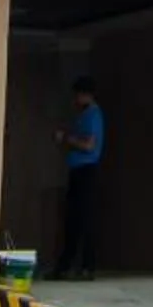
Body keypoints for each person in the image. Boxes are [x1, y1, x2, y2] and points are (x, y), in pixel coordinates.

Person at [53, 77, 103, 280]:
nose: (75, 99)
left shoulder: (93, 115)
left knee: (83, 219)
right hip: (77, 170)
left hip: (86, 170)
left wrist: (66, 139)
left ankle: (86, 266)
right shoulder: (83, 115)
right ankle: (68, 265)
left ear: (85, 95)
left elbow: (89, 145)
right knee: (73, 219)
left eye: (78, 95)